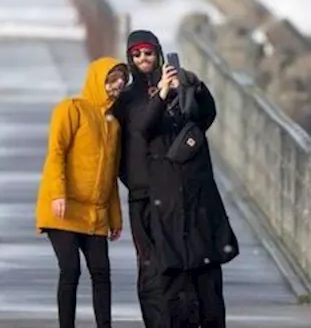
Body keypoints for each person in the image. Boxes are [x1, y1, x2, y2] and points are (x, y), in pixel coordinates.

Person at [132, 48, 238, 328]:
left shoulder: (192, 117)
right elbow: (144, 126)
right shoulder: (152, 122)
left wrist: (193, 86)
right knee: (175, 290)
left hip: (200, 208)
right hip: (167, 210)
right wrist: (163, 93)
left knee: (209, 291)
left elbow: (208, 112)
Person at [35, 56, 128, 328]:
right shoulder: (71, 109)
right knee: (70, 270)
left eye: (122, 79)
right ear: (98, 80)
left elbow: (109, 175)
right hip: (63, 209)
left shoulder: (114, 125)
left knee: (101, 272)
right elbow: (56, 153)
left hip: (95, 215)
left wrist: (115, 217)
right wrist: (57, 195)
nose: (118, 84)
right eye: (112, 79)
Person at [113, 29, 172, 326]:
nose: (143, 59)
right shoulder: (126, 99)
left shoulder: (175, 89)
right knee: (147, 264)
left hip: (171, 191)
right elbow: (135, 130)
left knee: (171, 262)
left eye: (148, 53)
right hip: (141, 193)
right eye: (136, 55)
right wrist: (131, 178)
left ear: (158, 53)